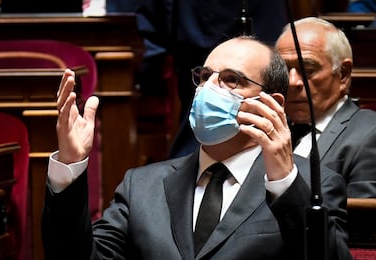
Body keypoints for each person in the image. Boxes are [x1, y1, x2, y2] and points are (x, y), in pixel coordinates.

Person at [42, 37, 352, 259]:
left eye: (231, 80)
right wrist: (70, 167)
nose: (208, 89)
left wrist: (284, 180)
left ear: (272, 103)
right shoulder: (142, 186)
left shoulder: (312, 186)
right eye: (204, 76)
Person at [135, 0, 289, 158]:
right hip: (194, 38)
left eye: (230, 79)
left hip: (256, 29)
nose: (211, 84)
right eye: (205, 77)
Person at [275, 17, 376, 198]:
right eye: (283, 70)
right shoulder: (271, 130)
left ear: (343, 74)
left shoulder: (369, 133)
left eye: (307, 69)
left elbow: (361, 220)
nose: (292, 82)